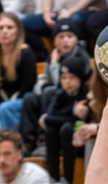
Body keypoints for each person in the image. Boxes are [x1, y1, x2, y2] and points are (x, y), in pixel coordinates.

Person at [18, 18, 87, 157]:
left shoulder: (81, 57)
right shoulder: (52, 56)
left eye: (70, 36)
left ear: (76, 40)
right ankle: (27, 143)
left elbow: (64, 86)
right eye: (61, 37)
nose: (65, 40)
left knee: (50, 92)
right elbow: (46, 81)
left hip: (72, 100)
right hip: (53, 97)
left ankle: (45, 139)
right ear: (55, 41)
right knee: (30, 98)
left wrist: (55, 65)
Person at [42, 54, 90, 184]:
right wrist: (72, 112)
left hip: (81, 140)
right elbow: (48, 118)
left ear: (81, 78)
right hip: (63, 139)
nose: (67, 82)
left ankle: (68, 180)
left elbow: (81, 120)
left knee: (67, 129)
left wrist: (66, 116)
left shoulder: (86, 94)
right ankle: (53, 177)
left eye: (72, 77)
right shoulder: (60, 93)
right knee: (50, 130)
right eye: (63, 78)